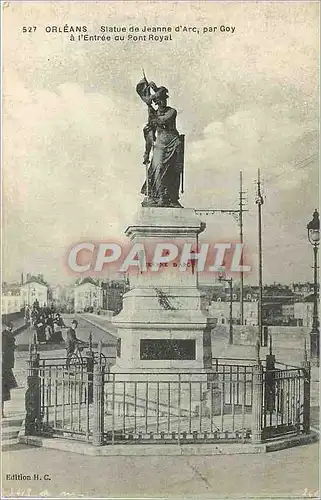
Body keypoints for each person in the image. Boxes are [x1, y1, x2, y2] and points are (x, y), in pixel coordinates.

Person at [137, 79, 183, 207]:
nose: (162, 102)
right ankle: (160, 196)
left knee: (173, 171)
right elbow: (150, 133)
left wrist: (150, 110)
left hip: (173, 142)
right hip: (160, 144)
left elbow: (162, 121)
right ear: (156, 102)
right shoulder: (153, 113)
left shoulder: (172, 111)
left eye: (163, 99)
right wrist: (146, 152)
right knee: (157, 169)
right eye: (158, 101)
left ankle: (171, 198)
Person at [2, 321, 18, 417]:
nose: (11, 328)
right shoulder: (4, 335)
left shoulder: (7, 334)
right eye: (10, 327)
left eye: (11, 327)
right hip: (5, 364)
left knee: (4, 390)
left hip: (6, 363)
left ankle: (2, 412)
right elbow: (4, 348)